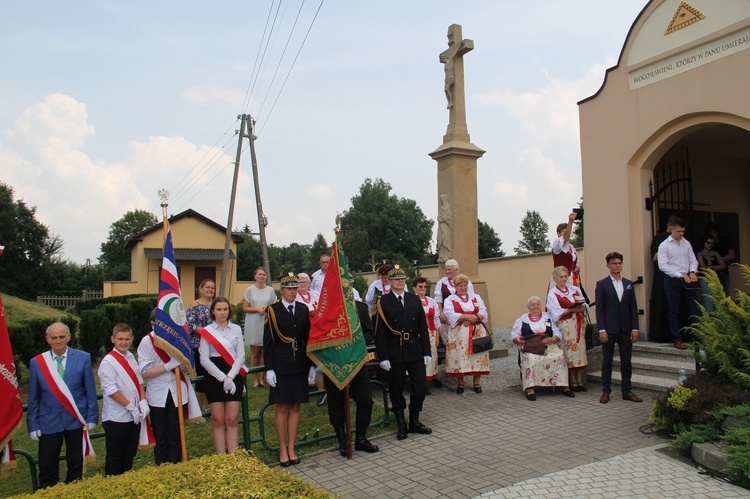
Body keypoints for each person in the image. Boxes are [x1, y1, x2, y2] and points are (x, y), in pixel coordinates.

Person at [27, 322, 98, 488]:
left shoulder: (83, 357)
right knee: (46, 465)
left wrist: (92, 416)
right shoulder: (38, 362)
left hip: (75, 418)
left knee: (75, 464)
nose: (58, 341)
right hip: (48, 422)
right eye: (54, 337)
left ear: (69, 337)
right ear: (48, 340)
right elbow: (33, 397)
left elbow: (90, 390)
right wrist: (32, 424)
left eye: (61, 337)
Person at [374, 265, 432, 440]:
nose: (400, 281)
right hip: (394, 350)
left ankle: (414, 420)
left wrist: (427, 351)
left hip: (414, 347)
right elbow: (380, 332)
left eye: (402, 278)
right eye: (396, 279)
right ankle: (401, 422)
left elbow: (423, 326)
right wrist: (383, 356)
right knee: (396, 388)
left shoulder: (414, 299)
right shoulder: (383, 302)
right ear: (389, 282)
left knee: (421, 386)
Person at [264, 273, 316, 467]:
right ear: (282, 291)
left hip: (299, 363)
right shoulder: (273, 310)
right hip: (281, 364)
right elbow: (268, 342)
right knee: (282, 406)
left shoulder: (303, 309)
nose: (293, 292)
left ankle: (292, 447)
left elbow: (307, 337)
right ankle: (282, 447)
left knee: (295, 406)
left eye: (295, 289)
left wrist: (311, 364)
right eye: (289, 289)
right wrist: (269, 368)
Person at [138, 308, 202, 465]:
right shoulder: (147, 341)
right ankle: (162, 467)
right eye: (154, 325)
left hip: (177, 389)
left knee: (176, 432)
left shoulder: (177, 340)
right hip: (157, 392)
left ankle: (176, 465)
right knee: (161, 434)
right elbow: (145, 372)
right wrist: (168, 366)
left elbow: (188, 368)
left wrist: (184, 365)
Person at [324, 299, 379, 456]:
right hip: (335, 361)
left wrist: (355, 345)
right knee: (336, 401)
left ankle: (361, 437)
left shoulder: (360, 307)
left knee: (365, 399)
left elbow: (369, 331)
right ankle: (342, 439)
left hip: (357, 360)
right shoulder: (327, 308)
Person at [98, 323, 149, 476]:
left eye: (127, 339)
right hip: (116, 417)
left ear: (132, 339)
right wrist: (130, 407)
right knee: (115, 457)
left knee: (129, 455)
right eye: (120, 339)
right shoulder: (108, 362)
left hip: (133, 417)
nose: (124, 342)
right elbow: (111, 390)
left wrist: (142, 400)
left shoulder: (131, 358)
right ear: (113, 339)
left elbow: (139, 381)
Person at [199, 297, 247, 455]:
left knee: (232, 419)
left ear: (229, 311)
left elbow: (241, 355)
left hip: (234, 375)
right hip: (214, 376)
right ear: (213, 311)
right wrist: (222, 378)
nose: (222, 313)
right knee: (218, 420)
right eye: (218, 309)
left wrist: (230, 377)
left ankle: (233, 457)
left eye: (225, 309)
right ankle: (221, 457)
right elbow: (204, 359)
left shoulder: (236, 329)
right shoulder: (207, 331)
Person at [594, 252, 643, 404]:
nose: (617, 266)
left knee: (626, 361)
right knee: (607, 361)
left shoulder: (628, 284)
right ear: (608, 265)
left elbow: (632, 307)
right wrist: (601, 330)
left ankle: (626, 390)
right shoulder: (602, 284)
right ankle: (605, 391)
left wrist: (635, 328)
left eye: (619, 263)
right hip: (609, 329)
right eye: (614, 263)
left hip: (626, 328)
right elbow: (599, 310)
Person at [511, 297, 574, 401]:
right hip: (531, 346)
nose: (535, 306)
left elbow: (557, 332)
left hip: (548, 346)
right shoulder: (522, 319)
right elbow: (514, 334)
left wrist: (553, 339)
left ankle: (564, 386)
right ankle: (530, 389)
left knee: (559, 357)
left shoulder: (548, 317)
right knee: (531, 359)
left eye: (538, 304)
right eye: (533, 304)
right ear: (528, 307)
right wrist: (517, 339)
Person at [442, 274, 490, 394]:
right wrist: (467, 317)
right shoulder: (450, 300)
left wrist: (472, 319)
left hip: (476, 331)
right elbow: (450, 313)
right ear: (455, 287)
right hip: (459, 334)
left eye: (464, 285)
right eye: (460, 286)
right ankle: (461, 382)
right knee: (459, 355)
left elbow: (483, 310)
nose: (463, 288)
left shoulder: (476, 297)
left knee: (478, 356)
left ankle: (477, 382)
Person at [657, 217, 700, 349]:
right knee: (674, 310)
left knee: (696, 309)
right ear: (671, 229)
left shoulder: (686, 243)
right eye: (678, 231)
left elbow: (693, 260)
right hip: (673, 280)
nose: (681, 234)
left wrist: (693, 271)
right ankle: (677, 339)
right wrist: (679, 274)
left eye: (683, 231)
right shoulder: (664, 245)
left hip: (687, 279)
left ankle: (700, 338)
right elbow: (663, 266)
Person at [546, 266, 589, 391]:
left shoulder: (574, 289)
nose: (564, 279)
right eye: (561, 277)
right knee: (569, 351)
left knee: (580, 351)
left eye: (565, 276)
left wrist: (581, 307)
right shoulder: (553, 293)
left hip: (579, 324)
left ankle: (580, 379)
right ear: (555, 278)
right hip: (566, 325)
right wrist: (571, 309)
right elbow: (554, 311)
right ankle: (572, 380)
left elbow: (584, 302)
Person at [242, 267, 277, 388]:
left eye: (264, 274)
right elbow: (245, 308)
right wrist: (257, 309)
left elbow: (274, 306)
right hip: (253, 322)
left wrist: (267, 310)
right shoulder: (249, 290)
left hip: (266, 321)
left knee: (264, 351)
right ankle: (254, 378)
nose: (262, 276)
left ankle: (262, 378)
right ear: (255, 276)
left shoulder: (271, 290)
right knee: (255, 352)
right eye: (259, 274)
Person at [186, 278, 215, 411]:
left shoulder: (217, 304)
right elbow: (190, 325)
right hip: (199, 345)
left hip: (215, 347)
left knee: (213, 376)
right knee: (201, 377)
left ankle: (211, 406)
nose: (210, 290)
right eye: (207, 287)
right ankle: (198, 409)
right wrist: (206, 332)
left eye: (212, 288)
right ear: (201, 289)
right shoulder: (194, 305)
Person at [413, 276, 442, 389]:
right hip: (417, 334)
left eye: (425, 286)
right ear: (414, 288)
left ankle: (430, 378)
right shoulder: (411, 300)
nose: (423, 289)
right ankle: (419, 382)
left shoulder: (431, 301)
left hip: (431, 333)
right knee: (419, 357)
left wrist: (438, 336)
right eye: (420, 286)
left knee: (431, 356)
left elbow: (437, 320)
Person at [704, 222, 735, 296]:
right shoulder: (707, 243)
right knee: (712, 298)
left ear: (718, 232)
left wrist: (718, 260)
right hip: (711, 275)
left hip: (723, 274)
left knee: (725, 296)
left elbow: (732, 255)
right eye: (710, 232)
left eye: (714, 232)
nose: (712, 234)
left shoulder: (724, 241)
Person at [697, 236, 727, 312]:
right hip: (705, 279)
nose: (710, 245)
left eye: (712, 243)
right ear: (704, 243)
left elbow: (723, 266)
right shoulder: (700, 254)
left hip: (716, 279)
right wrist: (715, 268)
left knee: (719, 303)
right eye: (708, 243)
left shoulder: (715, 253)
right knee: (708, 302)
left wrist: (712, 267)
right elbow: (703, 268)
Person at [552, 212, 580, 287]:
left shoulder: (571, 248)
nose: (566, 233)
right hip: (560, 281)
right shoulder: (557, 244)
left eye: (567, 231)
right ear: (558, 233)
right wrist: (570, 221)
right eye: (564, 231)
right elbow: (565, 238)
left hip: (572, 279)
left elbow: (576, 265)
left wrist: (576, 268)